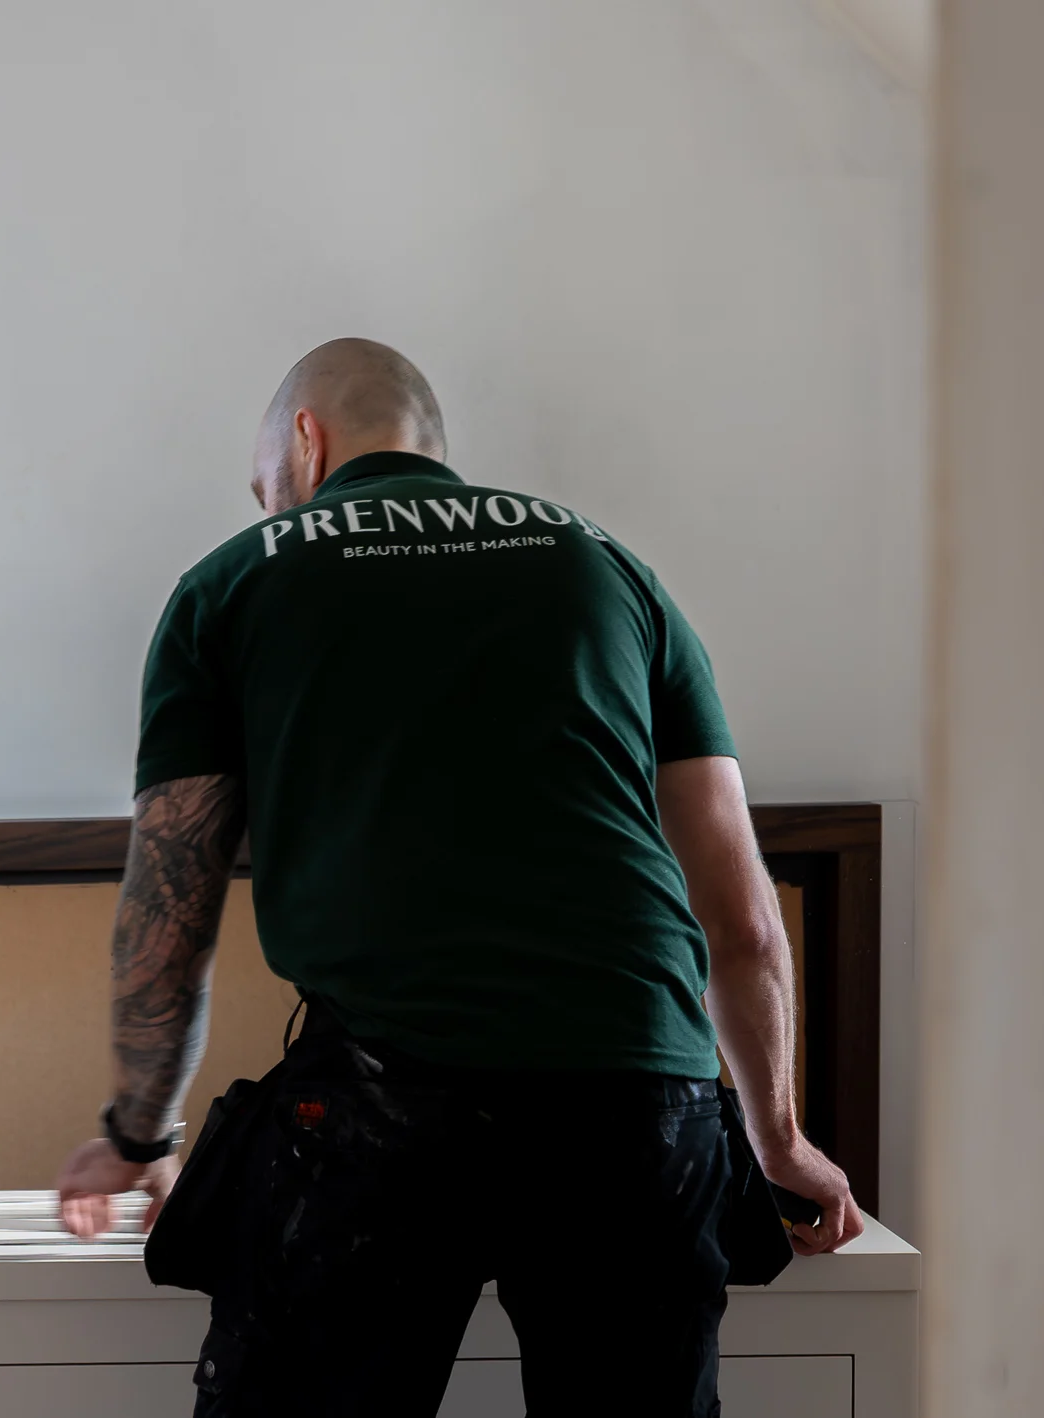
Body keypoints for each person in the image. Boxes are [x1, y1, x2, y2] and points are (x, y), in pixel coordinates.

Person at [56, 339, 864, 1415]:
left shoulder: (235, 580)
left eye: (262, 483)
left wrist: (137, 1136)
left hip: (384, 1106)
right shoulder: (608, 568)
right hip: (638, 1107)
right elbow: (744, 920)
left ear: (305, 441)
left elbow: (169, 911)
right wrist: (778, 1139)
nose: (265, 504)